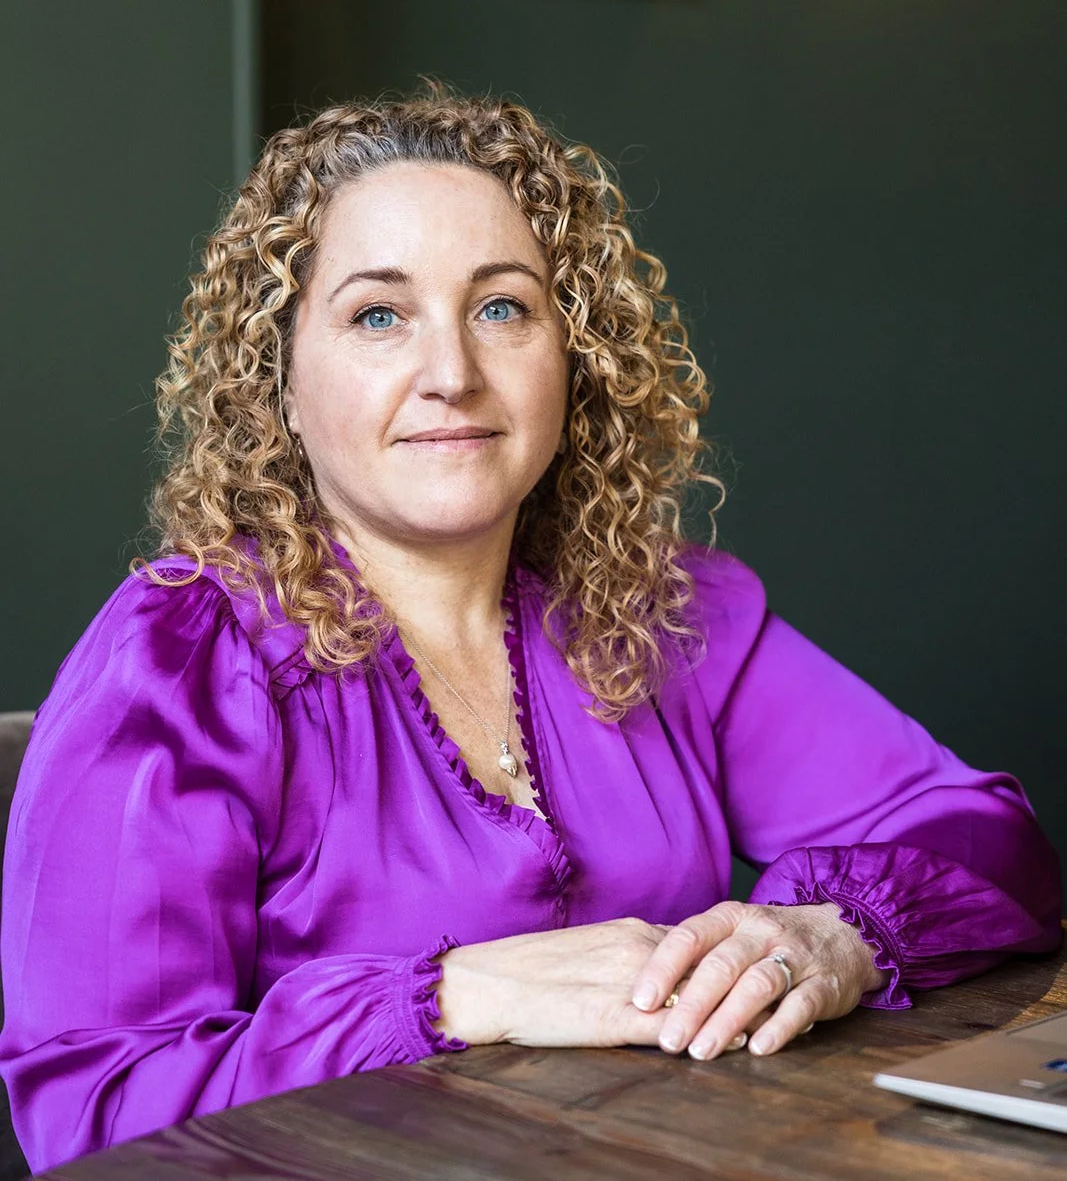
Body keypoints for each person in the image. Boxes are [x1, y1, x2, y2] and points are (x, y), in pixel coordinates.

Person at [0, 90, 1060, 1171]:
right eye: (378, 315)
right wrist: (461, 992)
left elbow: (983, 836)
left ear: (575, 353)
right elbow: (95, 1107)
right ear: (280, 379)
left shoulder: (665, 611)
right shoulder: (178, 661)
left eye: (502, 307)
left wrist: (827, 935)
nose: (451, 371)